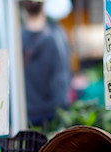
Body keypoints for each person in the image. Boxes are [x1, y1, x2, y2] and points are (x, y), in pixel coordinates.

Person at [20, 0, 71, 130]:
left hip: (26, 116)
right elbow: (61, 77)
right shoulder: (56, 36)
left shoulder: (17, 39)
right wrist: (63, 112)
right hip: (52, 116)